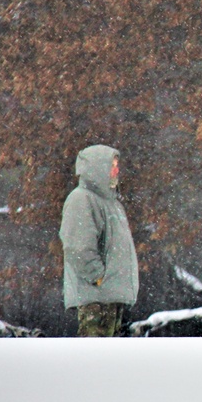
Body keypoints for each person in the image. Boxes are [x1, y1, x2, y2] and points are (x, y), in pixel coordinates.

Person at [59, 144, 139, 336]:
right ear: (98, 167)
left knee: (109, 361)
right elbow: (78, 247)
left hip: (111, 297)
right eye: (112, 165)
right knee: (93, 359)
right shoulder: (81, 199)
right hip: (96, 299)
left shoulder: (113, 204)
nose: (116, 170)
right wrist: (98, 277)